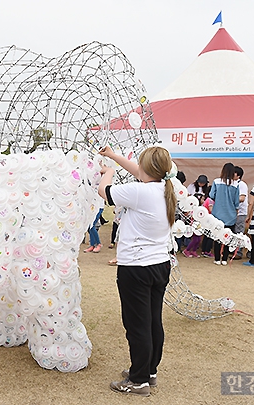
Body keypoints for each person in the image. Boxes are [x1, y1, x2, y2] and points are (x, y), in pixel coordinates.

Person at [98, 145, 175, 397]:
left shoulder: (139, 192)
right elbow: (141, 171)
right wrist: (113, 155)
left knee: (137, 325)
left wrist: (108, 171)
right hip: (159, 266)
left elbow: (104, 192)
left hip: (136, 269)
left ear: (146, 168)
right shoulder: (165, 187)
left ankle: (138, 380)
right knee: (153, 321)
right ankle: (148, 371)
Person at [209, 163, 240, 265]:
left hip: (217, 213)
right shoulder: (236, 185)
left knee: (217, 237)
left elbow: (211, 195)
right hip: (230, 214)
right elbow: (236, 202)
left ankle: (217, 258)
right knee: (228, 237)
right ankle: (225, 259)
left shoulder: (216, 181)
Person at [234, 166, 249, 259]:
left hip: (241, 212)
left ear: (238, 175)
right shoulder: (232, 183)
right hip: (233, 212)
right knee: (234, 232)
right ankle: (234, 250)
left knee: (239, 232)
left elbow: (242, 198)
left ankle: (239, 252)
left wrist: (230, 200)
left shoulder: (242, 184)